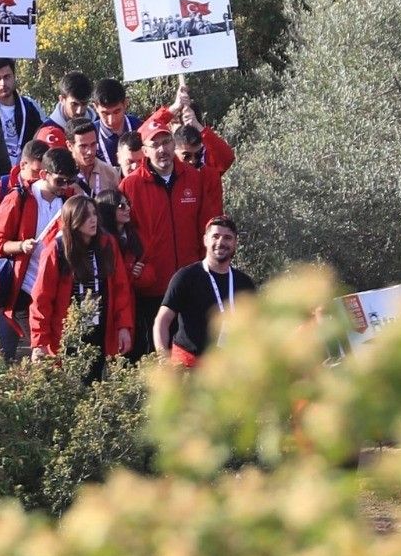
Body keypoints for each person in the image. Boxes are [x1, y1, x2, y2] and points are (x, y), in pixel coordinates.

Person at [120, 120, 222, 357]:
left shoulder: (194, 179)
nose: (162, 149)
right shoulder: (130, 186)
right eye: (154, 144)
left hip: (191, 283)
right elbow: (122, 235)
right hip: (152, 287)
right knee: (157, 354)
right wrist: (133, 266)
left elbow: (206, 229)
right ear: (144, 150)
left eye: (166, 142)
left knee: (195, 353)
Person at [0, 145, 78, 360]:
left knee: (52, 352)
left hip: (53, 291)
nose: (65, 186)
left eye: (70, 181)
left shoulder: (67, 202)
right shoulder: (19, 198)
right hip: (22, 290)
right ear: (44, 174)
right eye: (60, 181)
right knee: (30, 352)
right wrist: (21, 246)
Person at [29, 195, 135, 371]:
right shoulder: (56, 250)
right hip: (66, 333)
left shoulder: (107, 244)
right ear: (73, 219)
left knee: (94, 385)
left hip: (99, 329)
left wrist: (123, 326)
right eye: (86, 216)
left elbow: (121, 289)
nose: (92, 220)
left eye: (94, 214)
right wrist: (39, 342)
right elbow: (41, 299)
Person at [154, 215, 255, 366]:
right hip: (187, 367)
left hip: (227, 370)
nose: (220, 242)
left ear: (235, 243)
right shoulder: (186, 277)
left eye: (227, 238)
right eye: (215, 236)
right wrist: (163, 359)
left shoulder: (245, 283)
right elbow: (162, 320)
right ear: (205, 240)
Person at [0, 56, 45, 167]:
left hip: (25, 172)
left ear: (14, 77)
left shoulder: (29, 106)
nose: (3, 83)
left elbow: (41, 136)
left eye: (7, 77)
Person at [67, 116, 120, 196]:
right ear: (70, 146)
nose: (90, 152)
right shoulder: (62, 178)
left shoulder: (110, 173)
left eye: (93, 144)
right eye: (83, 146)